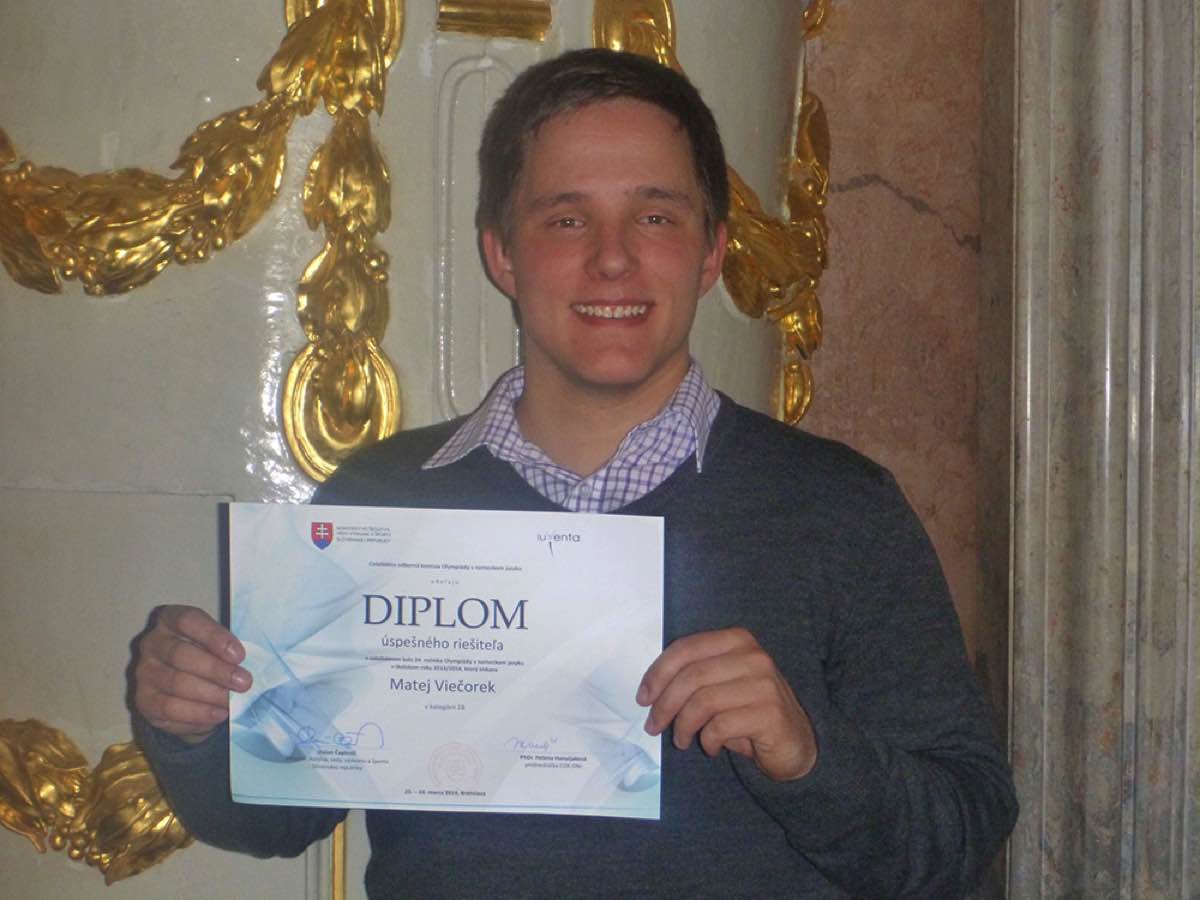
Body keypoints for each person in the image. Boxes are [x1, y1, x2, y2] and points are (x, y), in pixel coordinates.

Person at [130, 48, 1018, 898]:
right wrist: (192, 724)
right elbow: (271, 818)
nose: (613, 257)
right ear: (501, 255)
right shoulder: (381, 503)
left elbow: (964, 835)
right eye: (566, 218)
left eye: (656, 216)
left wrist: (808, 755)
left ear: (712, 253)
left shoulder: (840, 509)